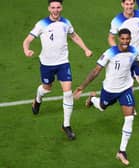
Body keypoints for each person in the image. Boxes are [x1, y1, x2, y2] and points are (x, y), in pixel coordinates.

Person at [73, 28, 139, 165]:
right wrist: (82, 87)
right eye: (123, 39)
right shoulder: (110, 53)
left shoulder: (134, 51)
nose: (125, 41)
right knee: (103, 107)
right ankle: (92, 99)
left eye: (127, 39)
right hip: (109, 89)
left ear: (130, 39)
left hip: (126, 88)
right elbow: (96, 71)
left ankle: (121, 151)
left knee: (129, 117)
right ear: (118, 39)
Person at [23, 0, 92, 140]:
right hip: (47, 64)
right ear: (49, 8)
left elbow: (74, 36)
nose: (55, 10)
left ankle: (66, 125)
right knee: (46, 88)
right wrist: (26, 49)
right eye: (53, 7)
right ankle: (37, 99)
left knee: (67, 92)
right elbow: (27, 40)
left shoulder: (66, 22)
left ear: (62, 8)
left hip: (63, 63)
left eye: (58, 7)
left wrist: (85, 49)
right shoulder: (41, 24)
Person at [108, 0, 139, 115]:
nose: (129, 7)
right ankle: (131, 105)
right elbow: (111, 38)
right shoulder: (117, 21)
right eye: (127, 4)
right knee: (128, 84)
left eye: (131, 4)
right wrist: (118, 51)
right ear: (122, 4)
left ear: (134, 4)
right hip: (125, 57)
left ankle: (134, 76)